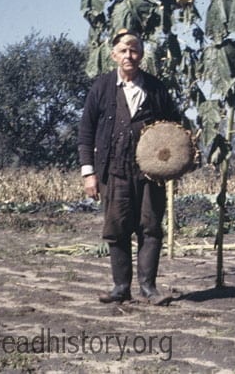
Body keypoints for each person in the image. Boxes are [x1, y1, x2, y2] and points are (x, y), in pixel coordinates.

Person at [78, 28, 181, 305]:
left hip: (151, 174)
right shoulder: (101, 88)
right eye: (123, 50)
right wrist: (89, 173)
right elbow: (86, 132)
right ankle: (120, 288)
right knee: (117, 229)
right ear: (113, 55)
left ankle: (149, 289)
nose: (129, 55)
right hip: (113, 172)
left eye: (134, 50)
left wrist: (175, 163)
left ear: (142, 54)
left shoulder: (157, 89)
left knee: (150, 228)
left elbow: (176, 127)